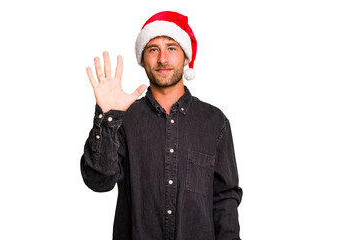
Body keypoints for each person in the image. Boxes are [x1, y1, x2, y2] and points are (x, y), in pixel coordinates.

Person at [80, 11, 243, 240]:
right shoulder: (124, 119)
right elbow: (99, 181)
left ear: (186, 57)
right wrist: (107, 119)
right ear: (142, 58)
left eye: (172, 48)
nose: (162, 59)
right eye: (153, 49)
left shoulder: (215, 122)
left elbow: (225, 199)